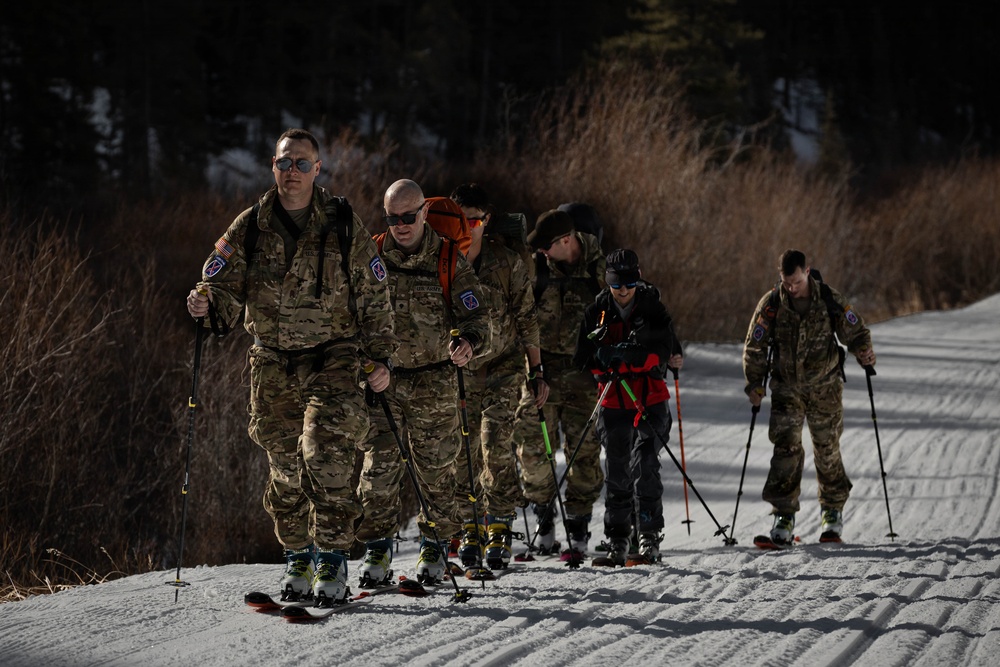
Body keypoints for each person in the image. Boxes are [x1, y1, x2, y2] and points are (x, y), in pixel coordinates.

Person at [185, 128, 397, 604]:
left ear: (318, 169)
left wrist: (381, 358)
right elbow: (218, 284)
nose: (293, 172)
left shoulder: (342, 223)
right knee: (284, 465)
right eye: (285, 163)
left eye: (303, 163)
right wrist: (206, 304)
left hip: (335, 359)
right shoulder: (250, 225)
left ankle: (334, 560)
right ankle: (298, 556)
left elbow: (374, 293)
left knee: (325, 452)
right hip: (272, 362)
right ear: (273, 166)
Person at [354, 178, 491, 586]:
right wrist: (366, 361)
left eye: (408, 216)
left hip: (435, 383)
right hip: (383, 382)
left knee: (437, 472)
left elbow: (478, 319)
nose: (400, 225)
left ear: (424, 214)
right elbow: (349, 314)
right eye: (392, 217)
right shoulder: (372, 254)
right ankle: (378, 548)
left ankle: (433, 545)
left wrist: (469, 343)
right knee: (377, 469)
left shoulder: (449, 260)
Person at [743, 249, 876, 545]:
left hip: (825, 386)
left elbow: (854, 330)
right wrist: (754, 384)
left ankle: (832, 513)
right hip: (787, 388)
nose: (791, 288)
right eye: (786, 283)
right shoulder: (772, 303)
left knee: (827, 448)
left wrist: (864, 351)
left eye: (796, 282)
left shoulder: (828, 298)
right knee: (786, 450)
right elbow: (755, 345)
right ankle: (784, 516)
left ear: (808, 271)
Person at [448, 183, 547, 570]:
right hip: (460, 371)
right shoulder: (443, 262)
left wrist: (536, 371)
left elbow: (527, 318)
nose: (469, 226)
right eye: (462, 219)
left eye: (476, 220)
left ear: (487, 221)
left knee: (495, 442)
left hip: (504, 366)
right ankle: (470, 525)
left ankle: (501, 523)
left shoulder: (507, 261)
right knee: (463, 452)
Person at [574, 249, 684, 566]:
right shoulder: (597, 310)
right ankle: (618, 537)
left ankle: (648, 534)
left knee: (645, 462)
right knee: (618, 468)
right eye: (617, 283)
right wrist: (602, 360)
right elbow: (581, 357)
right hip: (612, 399)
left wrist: (635, 357)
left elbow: (666, 348)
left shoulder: (652, 307)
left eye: (629, 282)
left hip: (649, 397)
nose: (623, 290)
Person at [512, 208, 606, 562]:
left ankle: (579, 524)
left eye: (548, 246)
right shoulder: (537, 270)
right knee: (533, 447)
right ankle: (545, 517)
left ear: (567, 241)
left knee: (584, 452)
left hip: (587, 375)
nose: (542, 252)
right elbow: (521, 317)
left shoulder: (601, 270)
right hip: (543, 372)